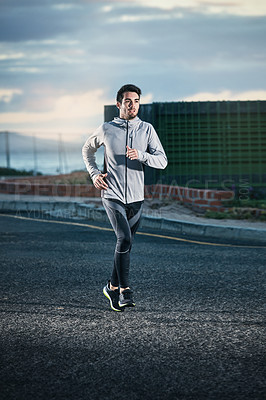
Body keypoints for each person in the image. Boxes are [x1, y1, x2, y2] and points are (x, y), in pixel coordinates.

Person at [82, 84, 167, 312]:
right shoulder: (106, 129)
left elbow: (162, 160)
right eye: (128, 101)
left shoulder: (147, 129)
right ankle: (124, 291)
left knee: (126, 244)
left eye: (136, 101)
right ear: (118, 104)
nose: (133, 105)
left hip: (137, 198)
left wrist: (141, 155)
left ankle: (111, 285)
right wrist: (94, 174)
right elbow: (87, 150)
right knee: (124, 240)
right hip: (112, 194)